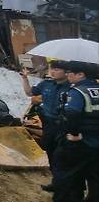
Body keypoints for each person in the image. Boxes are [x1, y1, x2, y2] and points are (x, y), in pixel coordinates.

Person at [19, 60, 70, 192]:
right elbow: (30, 93)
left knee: (62, 157)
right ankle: (56, 182)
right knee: (51, 154)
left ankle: (64, 185)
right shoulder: (46, 84)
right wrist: (25, 78)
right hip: (47, 124)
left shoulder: (71, 87)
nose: (53, 71)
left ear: (66, 72)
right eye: (51, 68)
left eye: (57, 69)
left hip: (63, 126)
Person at [52, 61, 99, 202]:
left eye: (70, 72)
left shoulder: (78, 91)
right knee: (95, 177)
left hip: (79, 143)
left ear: (80, 74)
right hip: (96, 143)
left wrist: (73, 134)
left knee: (68, 177)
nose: (68, 75)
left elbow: (72, 112)